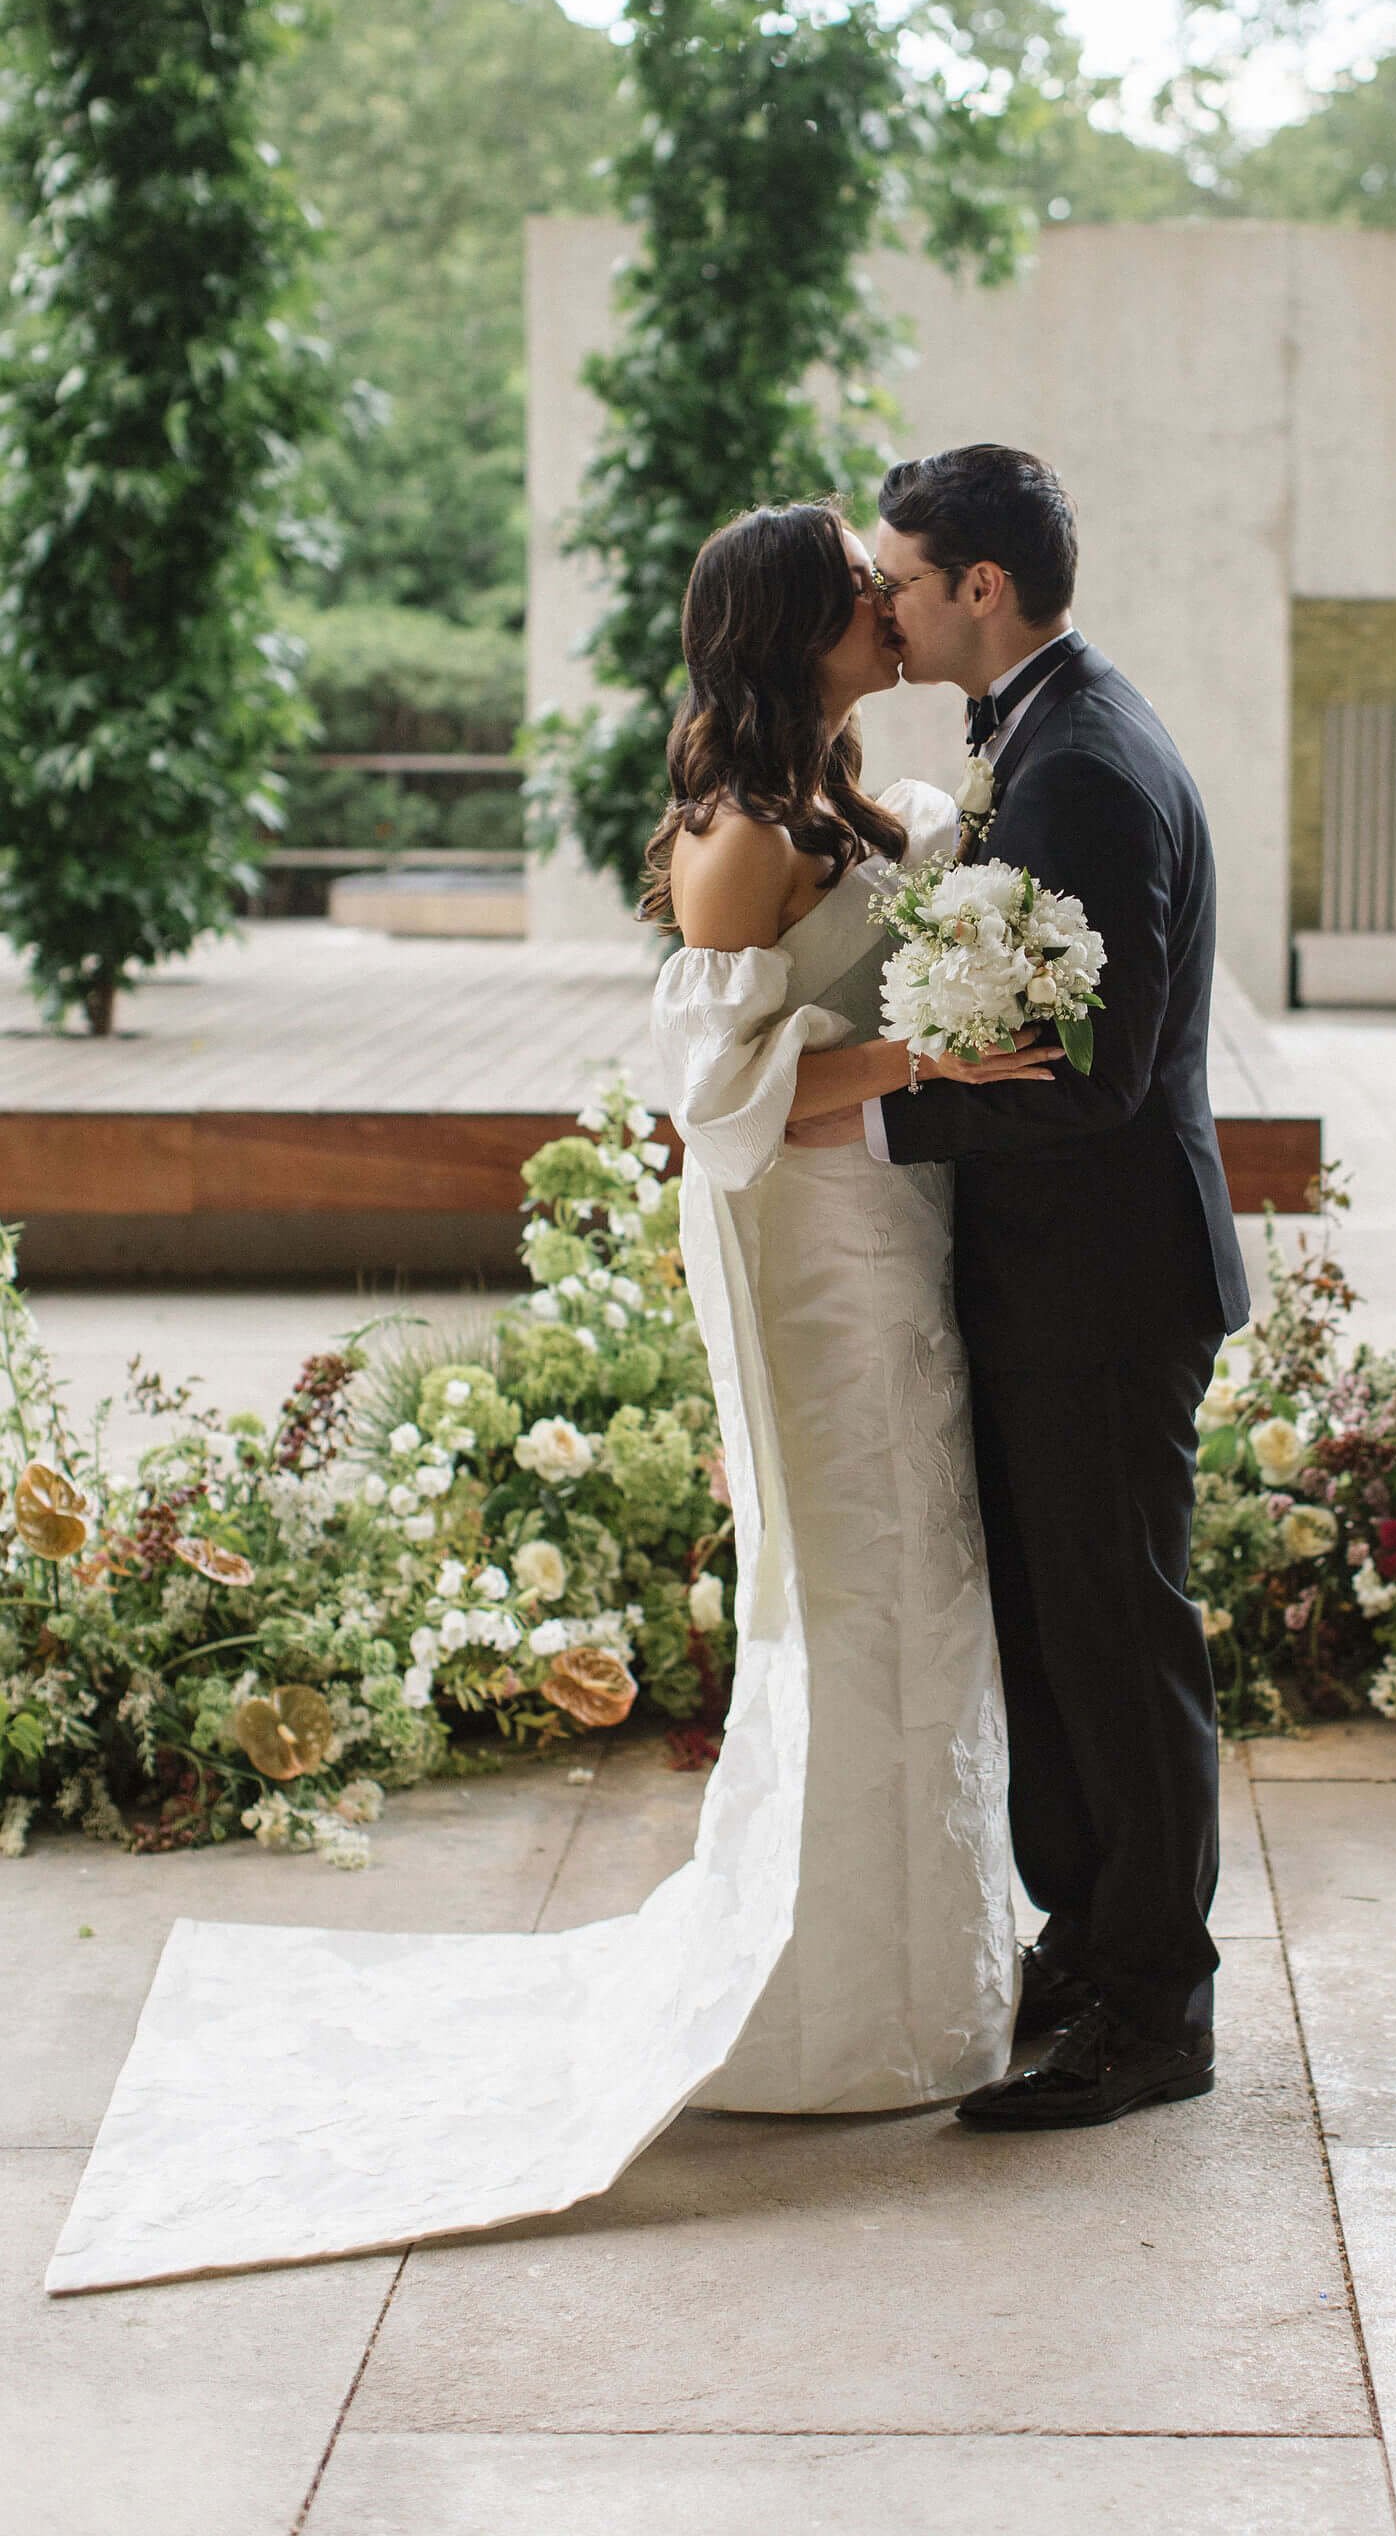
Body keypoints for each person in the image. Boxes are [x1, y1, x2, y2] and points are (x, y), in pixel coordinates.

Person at [46, 503, 1048, 2296]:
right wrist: (930, 1055)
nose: (884, 609)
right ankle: (831, 1999)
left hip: (894, 1234)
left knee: (927, 1574)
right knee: (854, 1578)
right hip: (806, 1249)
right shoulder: (741, 840)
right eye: (853, 593)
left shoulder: (845, 803)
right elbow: (721, 1103)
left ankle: (929, 1974)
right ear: (787, 631)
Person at [791, 442, 1250, 2129]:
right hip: (1054, 1275)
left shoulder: (1088, 767)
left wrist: (868, 1122)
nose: (882, 604)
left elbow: (1095, 1075)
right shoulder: (1036, 736)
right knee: (1061, 1636)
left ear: (980, 586)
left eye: (898, 578)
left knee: (1118, 1640)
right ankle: (1090, 1944)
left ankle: (1157, 2009)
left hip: (1108, 1284)